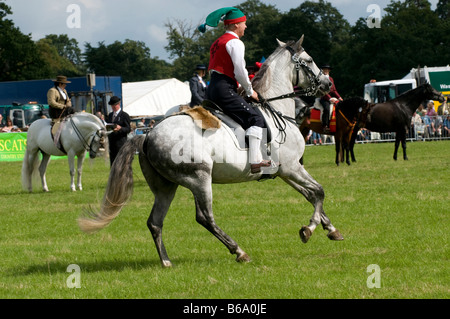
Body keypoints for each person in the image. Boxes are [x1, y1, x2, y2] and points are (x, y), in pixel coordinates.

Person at [198, 7, 271, 174]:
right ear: (236, 24)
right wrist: (249, 90)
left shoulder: (217, 42)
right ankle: (256, 161)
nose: (246, 27)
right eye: (244, 24)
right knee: (255, 118)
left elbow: (222, 70)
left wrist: (237, 87)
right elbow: (240, 71)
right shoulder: (235, 42)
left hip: (213, 88)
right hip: (224, 89)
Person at [106, 96, 131, 166]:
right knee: (113, 165)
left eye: (114, 105)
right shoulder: (110, 115)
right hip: (112, 144)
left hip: (121, 144)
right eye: (112, 105)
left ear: (119, 104)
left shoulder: (124, 115)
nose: (113, 107)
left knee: (121, 165)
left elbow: (128, 129)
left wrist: (120, 128)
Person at [319, 65, 343, 132]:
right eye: (324, 70)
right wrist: (330, 99)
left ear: (329, 70)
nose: (326, 71)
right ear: (322, 70)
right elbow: (323, 91)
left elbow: (334, 90)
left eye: (327, 70)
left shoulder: (331, 79)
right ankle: (325, 125)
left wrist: (339, 97)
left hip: (331, 97)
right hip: (324, 97)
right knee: (327, 108)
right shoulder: (321, 79)